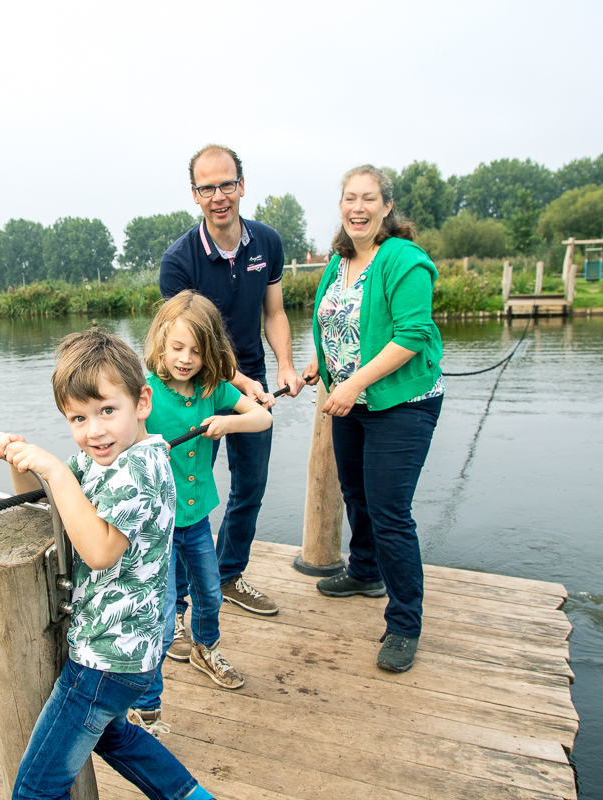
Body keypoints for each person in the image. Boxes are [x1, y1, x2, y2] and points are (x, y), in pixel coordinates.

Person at [0, 329, 214, 800]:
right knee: (113, 736)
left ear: (142, 402)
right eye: (78, 418)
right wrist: (20, 456)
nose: (94, 430)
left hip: (105, 662)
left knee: (35, 790)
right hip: (129, 657)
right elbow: (42, 502)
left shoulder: (137, 468)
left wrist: (57, 470)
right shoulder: (108, 459)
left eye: (108, 410)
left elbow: (101, 551)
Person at [301, 165, 444, 674]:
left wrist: (355, 382)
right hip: (350, 402)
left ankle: (404, 624)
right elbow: (335, 321)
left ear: (386, 207)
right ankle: (364, 571)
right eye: (348, 198)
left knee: (389, 511)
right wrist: (319, 362)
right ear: (341, 207)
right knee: (356, 493)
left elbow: (412, 335)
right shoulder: (338, 261)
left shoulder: (404, 260)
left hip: (402, 402)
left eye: (368, 198)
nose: (357, 207)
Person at [160, 143, 304, 620]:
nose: (219, 195)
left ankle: (228, 574)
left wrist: (283, 365)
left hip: (254, 380)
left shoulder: (268, 242)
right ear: (195, 196)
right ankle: (178, 604)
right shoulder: (178, 262)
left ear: (241, 186)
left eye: (227, 184)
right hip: (199, 383)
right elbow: (186, 342)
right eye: (208, 188)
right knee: (186, 495)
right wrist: (237, 382)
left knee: (251, 486)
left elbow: (276, 311)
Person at [127, 290, 272, 732]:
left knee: (210, 595)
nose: (185, 359)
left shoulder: (213, 390)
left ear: (210, 351)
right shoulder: (145, 391)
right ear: (160, 343)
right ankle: (147, 702)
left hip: (196, 522)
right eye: (176, 348)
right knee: (164, 612)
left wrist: (229, 421)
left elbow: (262, 417)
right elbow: (116, 425)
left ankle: (205, 649)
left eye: (196, 350)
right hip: (157, 527)